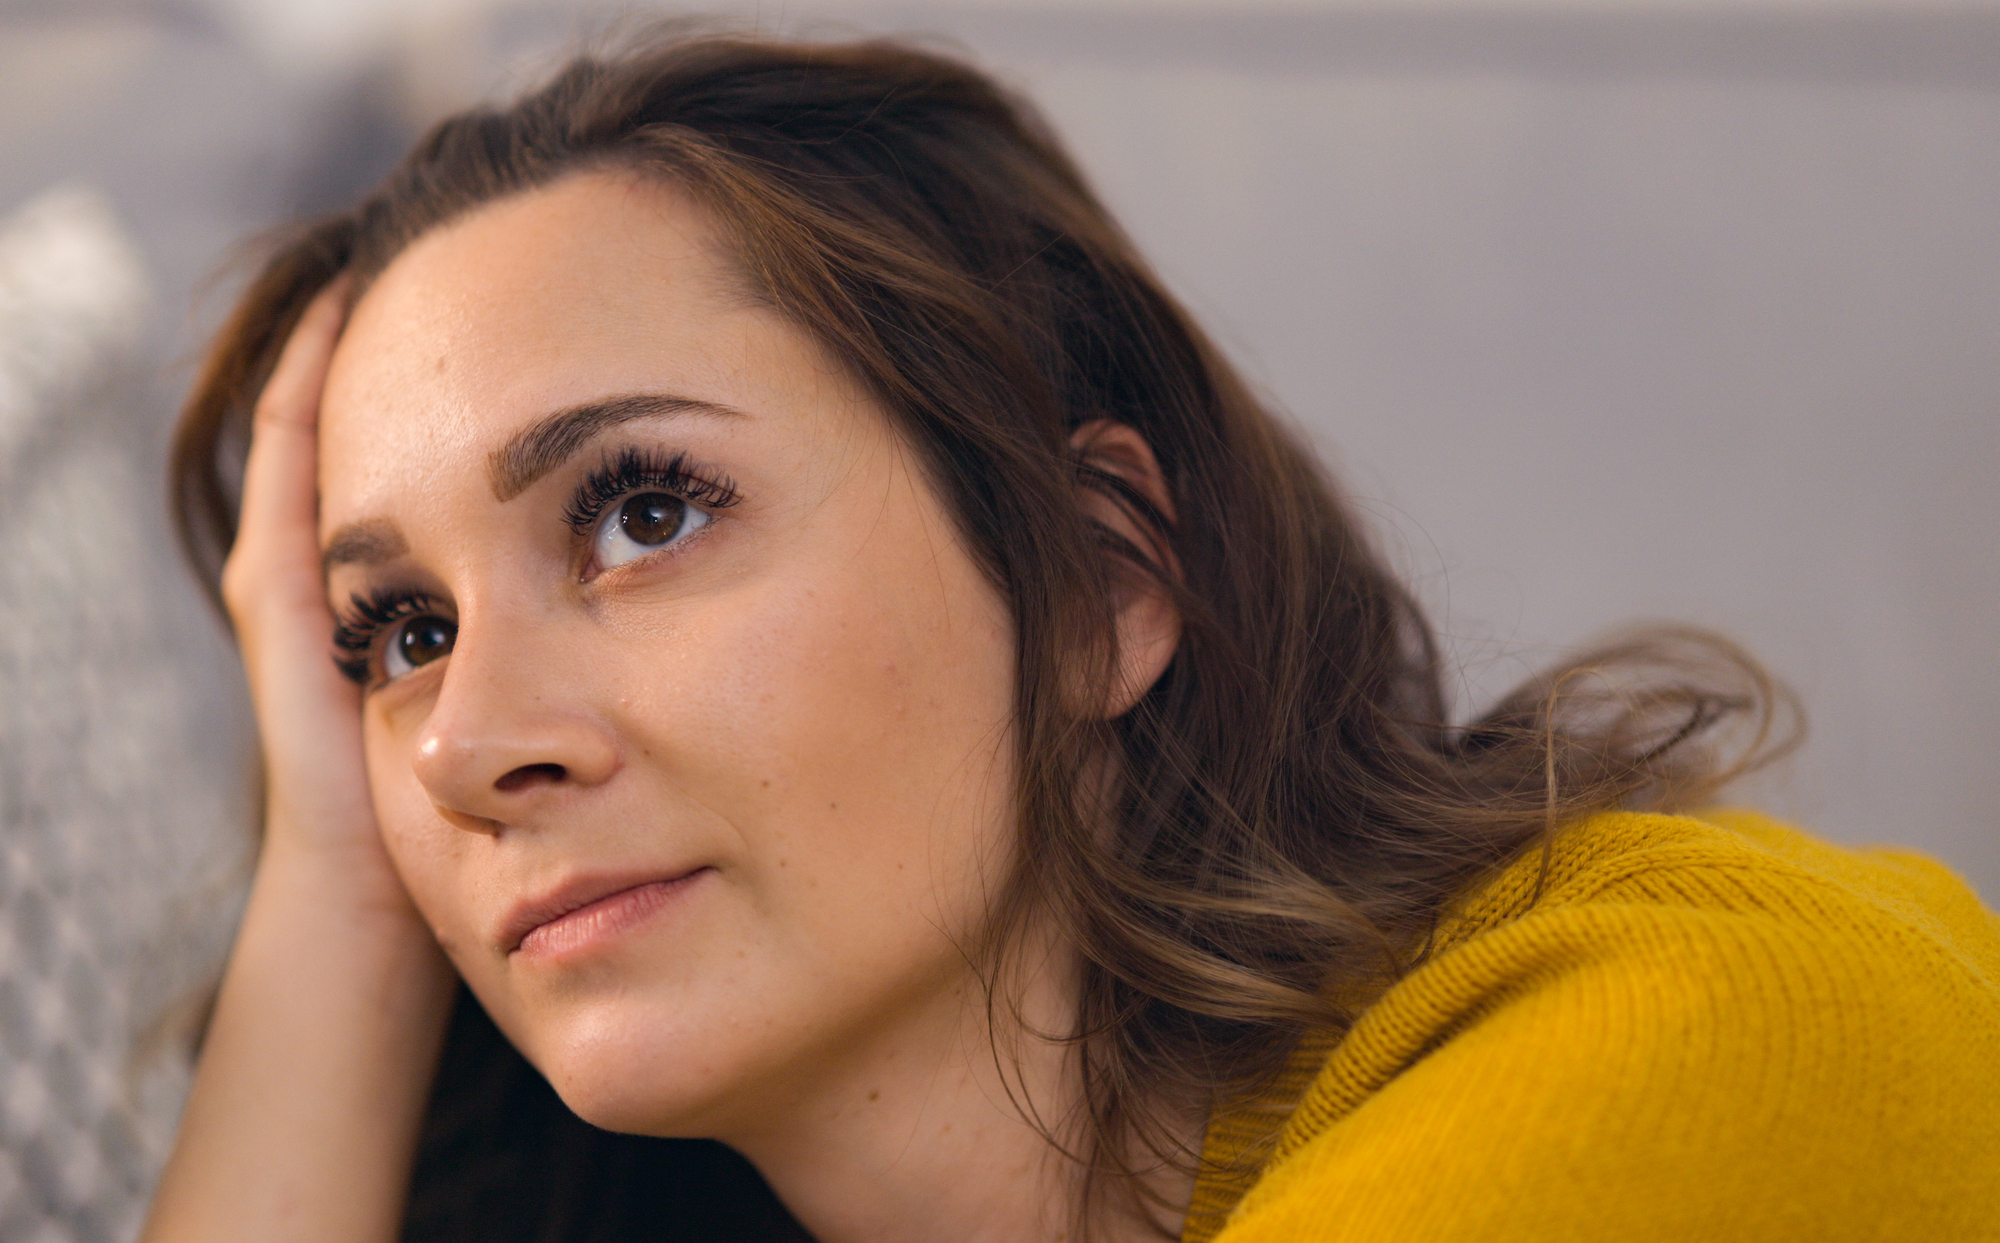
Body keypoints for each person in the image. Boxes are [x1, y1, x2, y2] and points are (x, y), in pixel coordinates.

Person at [142, 30, 2000, 1243]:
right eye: (393, 633)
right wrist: (335, 903)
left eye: (642, 512)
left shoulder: (1726, 1021)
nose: (467, 746)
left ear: (1106, 573)